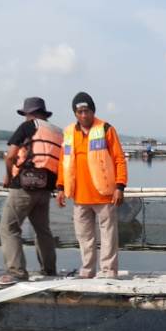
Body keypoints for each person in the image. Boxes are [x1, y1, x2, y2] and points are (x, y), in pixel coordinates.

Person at [56, 92, 128, 278]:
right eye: (79, 111)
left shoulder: (106, 129)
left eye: (86, 111)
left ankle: (108, 271)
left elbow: (119, 159)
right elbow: (63, 162)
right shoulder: (68, 133)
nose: (83, 115)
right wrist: (61, 188)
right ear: (75, 113)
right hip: (79, 196)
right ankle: (87, 270)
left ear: (93, 111)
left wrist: (120, 187)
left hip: (104, 195)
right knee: (84, 237)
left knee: (108, 236)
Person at [0, 96, 62, 285]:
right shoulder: (58, 131)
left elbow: (10, 156)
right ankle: (49, 270)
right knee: (43, 230)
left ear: (29, 113)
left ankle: (16, 272)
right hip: (45, 188)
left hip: (24, 186)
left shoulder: (28, 126)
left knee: (8, 227)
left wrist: (8, 177)